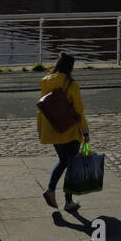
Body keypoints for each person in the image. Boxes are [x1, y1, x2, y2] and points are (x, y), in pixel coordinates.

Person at [37, 51, 90, 213]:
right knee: (72, 165)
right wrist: (85, 133)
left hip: (53, 128)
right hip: (70, 131)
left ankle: (51, 190)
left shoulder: (46, 82)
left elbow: (42, 107)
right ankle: (69, 201)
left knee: (63, 161)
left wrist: (39, 128)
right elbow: (78, 110)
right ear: (70, 67)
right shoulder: (71, 84)